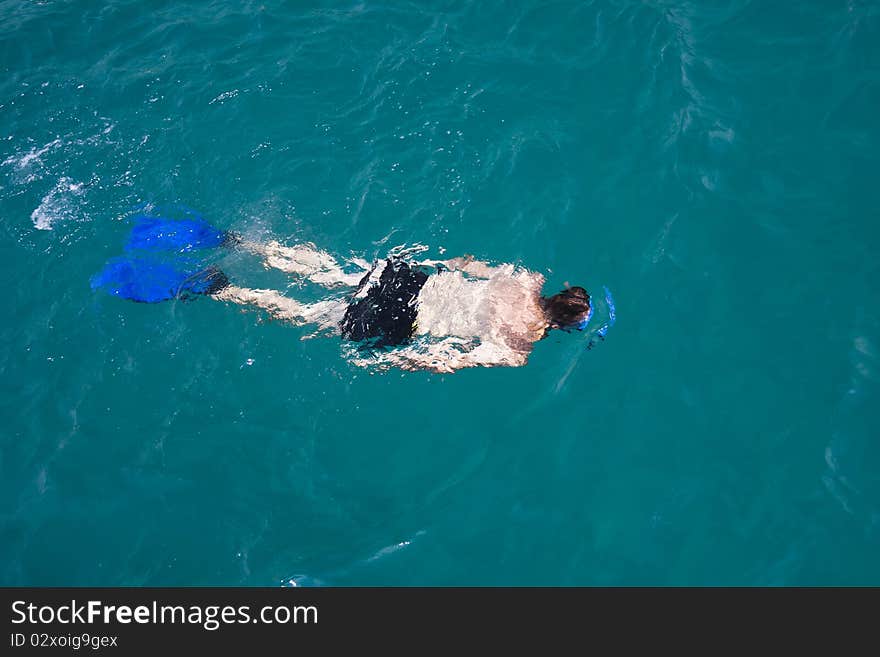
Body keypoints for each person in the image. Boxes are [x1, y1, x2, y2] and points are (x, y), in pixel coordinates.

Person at [92, 216, 594, 373]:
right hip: (408, 321)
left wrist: (448, 267)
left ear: (558, 291)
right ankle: (222, 289)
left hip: (411, 281)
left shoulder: (522, 278)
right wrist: (393, 362)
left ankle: (241, 243)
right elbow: (448, 360)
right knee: (309, 313)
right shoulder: (518, 348)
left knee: (331, 272)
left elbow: (464, 264)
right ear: (566, 323)